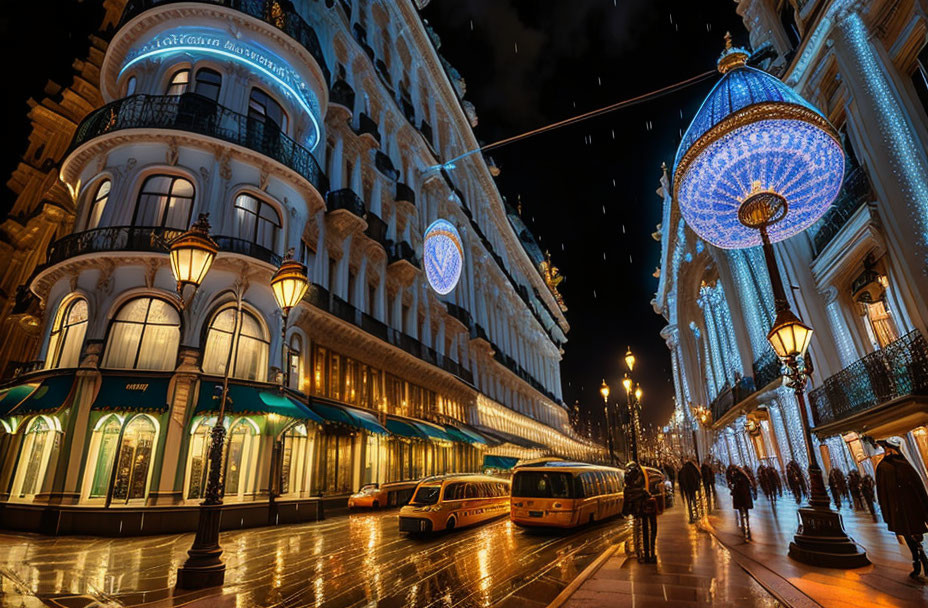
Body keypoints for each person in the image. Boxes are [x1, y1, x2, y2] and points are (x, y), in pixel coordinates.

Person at [875, 438, 928, 580]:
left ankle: (919, 560)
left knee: (911, 534)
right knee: (912, 534)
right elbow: (919, 489)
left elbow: (883, 494)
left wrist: (887, 513)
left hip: (902, 509)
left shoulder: (885, 467)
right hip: (907, 508)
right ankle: (919, 559)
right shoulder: (902, 465)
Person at [623, 462, 656, 563]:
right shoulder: (643, 492)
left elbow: (625, 508)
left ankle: (639, 553)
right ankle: (648, 554)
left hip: (637, 514)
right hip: (645, 514)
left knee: (638, 531)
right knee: (648, 531)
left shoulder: (627, 490)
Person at [729, 465, 754, 540]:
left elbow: (733, 487)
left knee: (741, 512)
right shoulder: (745, 478)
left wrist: (732, 491)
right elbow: (750, 486)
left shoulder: (735, 477)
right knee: (746, 512)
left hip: (739, 498)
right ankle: (747, 524)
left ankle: (743, 525)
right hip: (746, 497)